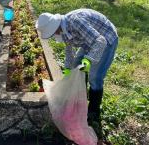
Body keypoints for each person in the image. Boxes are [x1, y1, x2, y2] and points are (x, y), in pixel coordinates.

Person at [35, 9, 118, 139]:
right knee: (76, 66)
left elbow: (100, 41)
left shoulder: (75, 22)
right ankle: (81, 100)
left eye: (52, 33)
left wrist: (89, 59)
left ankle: (93, 111)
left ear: (55, 28)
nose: (52, 36)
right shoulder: (63, 28)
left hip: (106, 38)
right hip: (89, 41)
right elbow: (69, 51)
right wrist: (68, 69)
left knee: (95, 76)